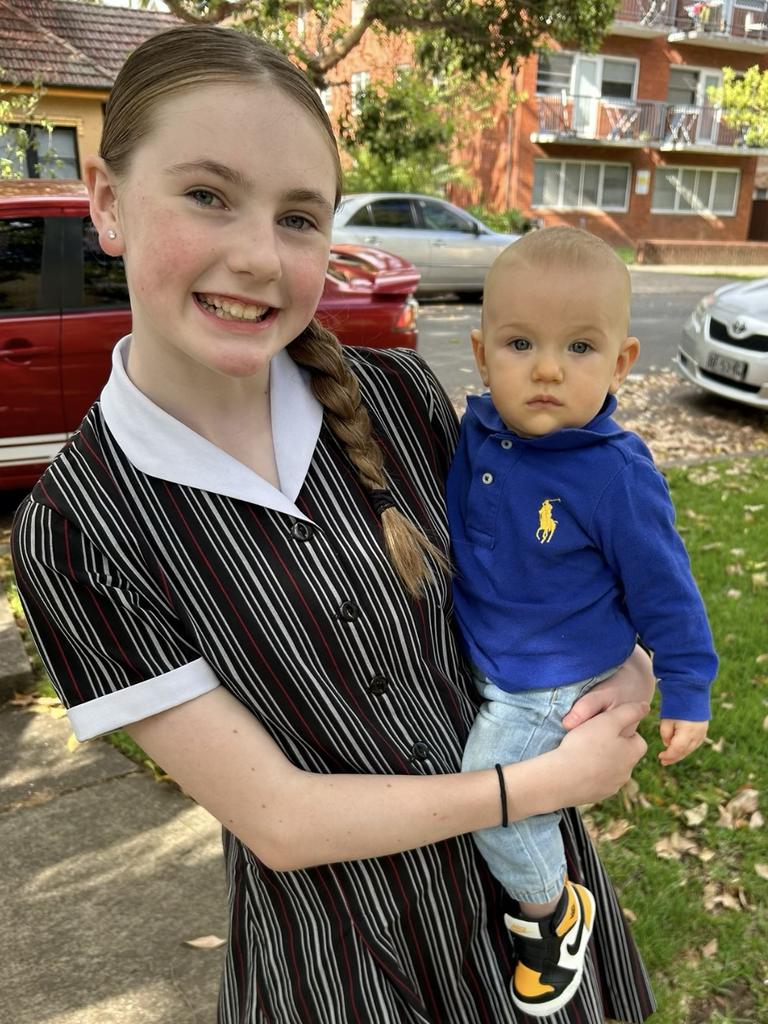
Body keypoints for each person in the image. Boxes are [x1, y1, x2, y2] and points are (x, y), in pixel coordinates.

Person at [11, 26, 657, 1024]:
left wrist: (624, 662)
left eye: (300, 216)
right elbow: (279, 819)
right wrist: (539, 780)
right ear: (106, 199)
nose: (259, 256)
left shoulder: (401, 397)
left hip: (540, 921)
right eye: (208, 195)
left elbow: (554, 565)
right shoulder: (74, 533)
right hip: (345, 967)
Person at [448, 226, 718, 1018]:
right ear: (480, 350)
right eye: (521, 342)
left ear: (622, 363)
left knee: (491, 796)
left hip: (553, 683)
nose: (546, 369)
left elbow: (667, 591)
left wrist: (687, 687)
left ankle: (550, 913)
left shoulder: (614, 476)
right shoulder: (475, 433)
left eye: (579, 347)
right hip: (499, 659)